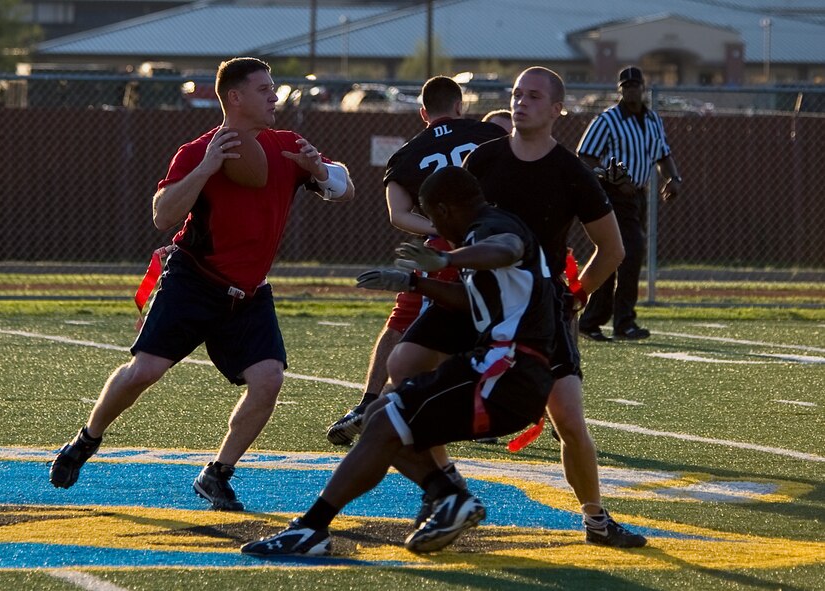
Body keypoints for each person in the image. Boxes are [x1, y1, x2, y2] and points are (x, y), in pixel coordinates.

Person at [48, 57, 355, 511]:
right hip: (195, 280)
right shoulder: (197, 150)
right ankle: (87, 439)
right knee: (145, 371)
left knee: (268, 380)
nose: (274, 95)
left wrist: (320, 169)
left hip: (249, 291)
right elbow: (162, 215)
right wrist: (207, 168)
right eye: (264, 89)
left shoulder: (288, 144)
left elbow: (345, 188)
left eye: (274, 88)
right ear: (235, 97)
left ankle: (217, 474)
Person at [242, 165, 558, 557]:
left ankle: (311, 529)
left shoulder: (489, 229)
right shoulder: (484, 230)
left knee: (385, 422)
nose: (435, 231)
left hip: (506, 372)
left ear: (444, 209)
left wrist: (448, 260)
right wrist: (414, 283)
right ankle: (447, 495)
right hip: (504, 371)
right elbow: (473, 300)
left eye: (433, 218)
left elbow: (507, 248)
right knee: (382, 417)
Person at [396, 66, 644, 547]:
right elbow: (450, 215)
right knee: (403, 364)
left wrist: (576, 294)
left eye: (533, 96)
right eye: (515, 94)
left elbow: (611, 248)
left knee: (568, 417)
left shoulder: (571, 171)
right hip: (478, 295)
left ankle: (596, 518)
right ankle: (448, 489)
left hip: (535, 309)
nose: (521, 102)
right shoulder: (483, 159)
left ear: (556, 109)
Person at [325, 76, 507, 447]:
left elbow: (398, 215)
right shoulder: (487, 133)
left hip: (438, 248)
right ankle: (484, 408)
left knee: (403, 322)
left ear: (423, 112)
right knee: (499, 322)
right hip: (492, 242)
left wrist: (442, 230)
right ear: (460, 106)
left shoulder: (408, 153)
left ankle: (368, 404)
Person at [577, 66, 683, 341]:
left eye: (636, 85)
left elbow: (663, 154)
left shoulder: (652, 120)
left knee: (617, 256)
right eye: (627, 86)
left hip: (636, 194)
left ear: (644, 88)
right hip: (611, 195)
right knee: (629, 251)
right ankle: (621, 322)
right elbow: (585, 158)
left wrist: (674, 178)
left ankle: (593, 321)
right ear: (619, 89)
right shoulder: (607, 121)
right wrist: (613, 176)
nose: (632, 90)